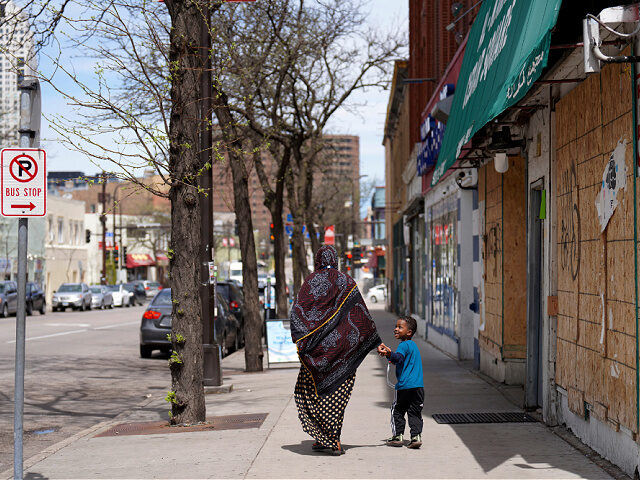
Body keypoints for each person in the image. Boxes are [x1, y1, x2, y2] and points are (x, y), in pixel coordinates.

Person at [290, 245, 381, 455]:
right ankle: (329, 438)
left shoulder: (310, 282)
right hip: (342, 353)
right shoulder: (346, 282)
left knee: (312, 393)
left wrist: (304, 341)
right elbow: (361, 314)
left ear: (318, 260)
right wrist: (375, 341)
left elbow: (297, 313)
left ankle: (328, 438)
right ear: (336, 259)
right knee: (337, 396)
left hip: (316, 354)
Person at [377, 315, 424, 449]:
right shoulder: (413, 346)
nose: (395, 329)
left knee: (397, 411)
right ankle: (416, 437)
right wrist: (390, 356)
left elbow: (398, 357)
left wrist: (389, 354)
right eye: (396, 326)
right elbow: (400, 360)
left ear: (409, 332)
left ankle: (398, 436)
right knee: (414, 412)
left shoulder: (403, 345)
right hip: (418, 387)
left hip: (404, 387)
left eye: (399, 327)